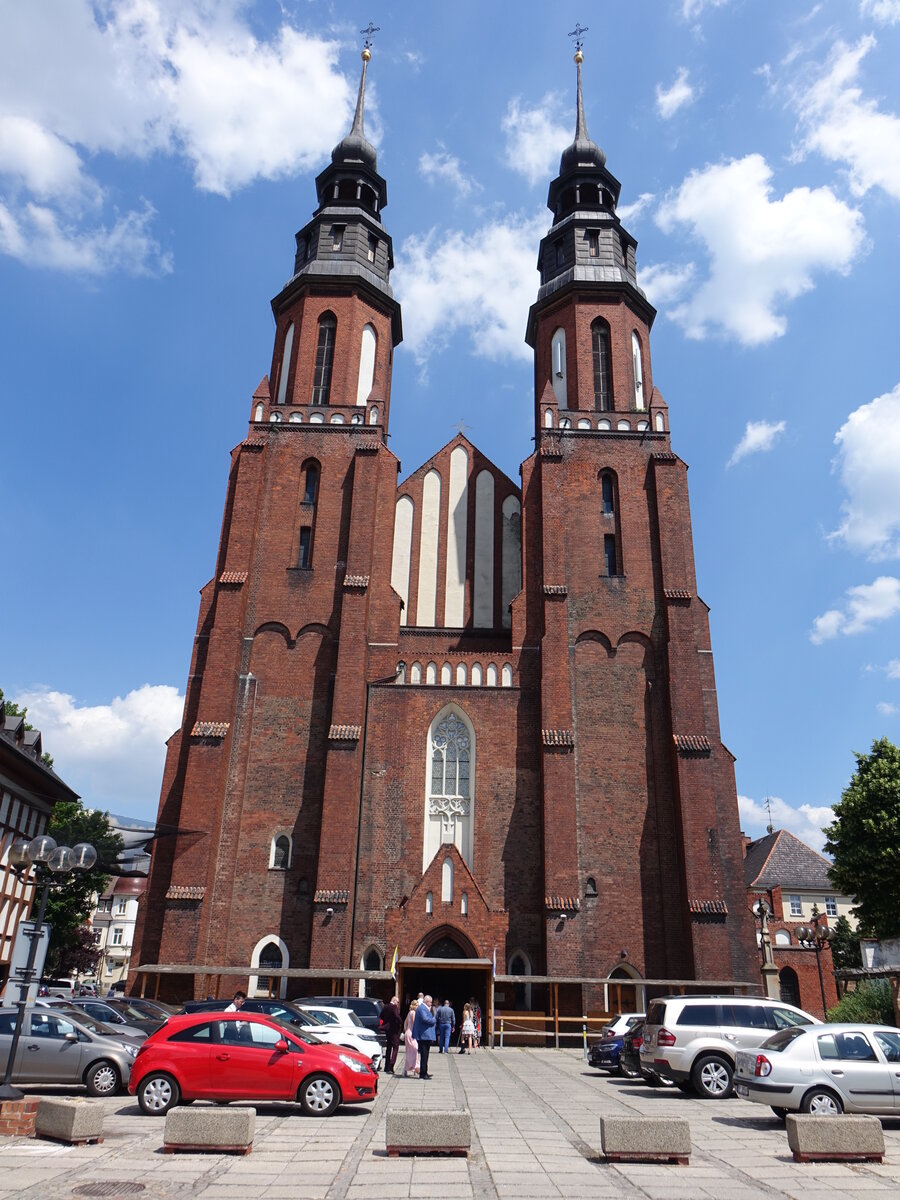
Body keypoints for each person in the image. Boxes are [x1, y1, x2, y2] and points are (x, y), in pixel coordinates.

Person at [412, 992, 437, 1078]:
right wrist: (434, 1020)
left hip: (425, 1035)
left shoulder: (425, 1008)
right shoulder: (422, 1008)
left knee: (425, 1054)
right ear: (426, 1001)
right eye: (430, 1002)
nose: (431, 1003)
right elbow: (425, 1019)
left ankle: (424, 1071)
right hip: (423, 1035)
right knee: (424, 1054)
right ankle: (423, 1073)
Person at [379, 994, 402, 1074]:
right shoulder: (394, 1007)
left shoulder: (385, 1006)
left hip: (387, 1029)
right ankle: (391, 1066)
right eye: (398, 1002)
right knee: (395, 1047)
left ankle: (386, 1066)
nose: (398, 1004)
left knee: (389, 1047)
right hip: (394, 1029)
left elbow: (381, 1016)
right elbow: (396, 1016)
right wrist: (400, 1022)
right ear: (394, 1000)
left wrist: (386, 1022)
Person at [402, 999, 419, 1077]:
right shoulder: (413, 1013)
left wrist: (406, 1031)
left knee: (409, 1052)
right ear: (414, 1005)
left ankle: (406, 1069)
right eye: (417, 1005)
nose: (418, 1007)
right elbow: (415, 1024)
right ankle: (415, 1067)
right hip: (412, 1033)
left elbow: (405, 1023)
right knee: (415, 1050)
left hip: (407, 1033)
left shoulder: (409, 1013)